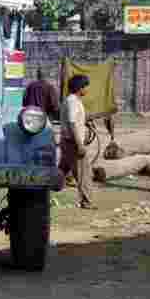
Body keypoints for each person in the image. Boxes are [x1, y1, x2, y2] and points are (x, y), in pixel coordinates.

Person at [58, 74, 96, 209]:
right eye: (86, 86)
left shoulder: (72, 100)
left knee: (61, 171)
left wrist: (87, 119)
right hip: (73, 143)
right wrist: (80, 145)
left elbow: (75, 119)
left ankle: (45, 191)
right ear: (80, 88)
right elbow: (72, 123)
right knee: (84, 173)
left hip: (67, 141)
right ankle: (87, 201)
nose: (87, 89)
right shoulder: (73, 101)